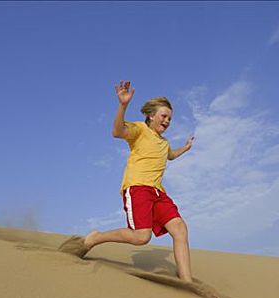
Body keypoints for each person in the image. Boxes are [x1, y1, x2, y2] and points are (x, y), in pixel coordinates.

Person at [76, 80, 195, 283]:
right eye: (163, 116)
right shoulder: (140, 130)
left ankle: (187, 282)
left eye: (169, 119)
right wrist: (123, 105)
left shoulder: (164, 143)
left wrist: (185, 148)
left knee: (180, 228)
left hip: (158, 193)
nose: (167, 121)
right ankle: (95, 238)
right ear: (151, 115)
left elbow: (171, 156)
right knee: (141, 237)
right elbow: (117, 132)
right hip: (138, 188)